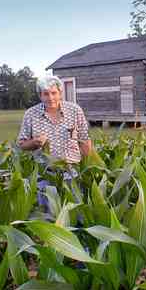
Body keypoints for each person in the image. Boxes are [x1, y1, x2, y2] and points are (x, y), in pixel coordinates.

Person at [17, 76, 92, 207]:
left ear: (60, 93)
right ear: (40, 95)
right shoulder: (31, 114)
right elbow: (22, 144)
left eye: (54, 93)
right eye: (46, 94)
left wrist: (87, 169)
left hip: (72, 174)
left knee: (76, 215)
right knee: (48, 219)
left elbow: (85, 140)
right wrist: (35, 142)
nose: (50, 98)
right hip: (45, 176)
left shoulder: (75, 111)